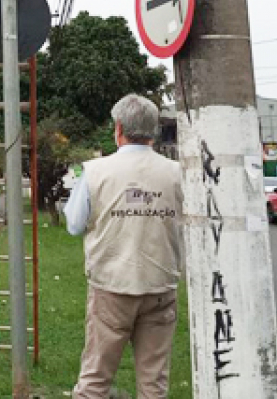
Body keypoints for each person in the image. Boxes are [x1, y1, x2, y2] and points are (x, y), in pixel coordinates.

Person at [63, 94, 183, 399]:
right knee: (154, 383)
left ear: (118, 128)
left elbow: (75, 225)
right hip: (160, 286)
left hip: (111, 286)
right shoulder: (177, 173)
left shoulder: (94, 171)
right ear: (153, 131)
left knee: (95, 380)